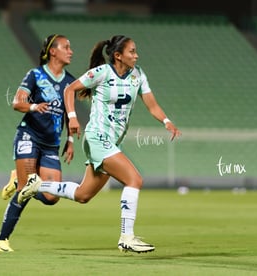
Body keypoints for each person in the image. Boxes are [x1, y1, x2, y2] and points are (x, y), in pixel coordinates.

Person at [18, 35, 181, 253]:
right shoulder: (102, 73)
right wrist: (73, 117)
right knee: (134, 179)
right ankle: (127, 237)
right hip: (96, 137)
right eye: (132, 51)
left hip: (111, 142)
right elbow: (69, 89)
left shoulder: (138, 75)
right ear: (118, 56)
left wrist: (167, 121)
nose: (136, 55)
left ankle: (37, 185)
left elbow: (152, 105)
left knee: (83, 195)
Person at [0, 34, 76, 252]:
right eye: (66, 47)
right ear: (53, 51)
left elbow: (69, 113)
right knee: (25, 189)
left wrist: (70, 140)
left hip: (51, 144)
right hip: (29, 136)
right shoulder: (35, 75)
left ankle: (18, 179)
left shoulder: (70, 82)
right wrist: (33, 107)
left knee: (50, 196)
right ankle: (1, 240)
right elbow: (17, 102)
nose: (71, 51)